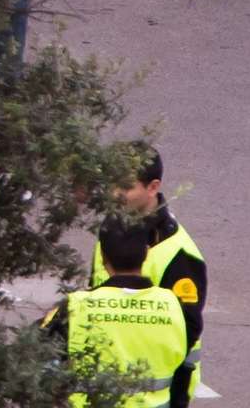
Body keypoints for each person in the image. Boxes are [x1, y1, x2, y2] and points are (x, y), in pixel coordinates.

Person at [91, 144, 210, 403]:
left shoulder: (178, 255)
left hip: (157, 393)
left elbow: (186, 335)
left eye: (125, 186)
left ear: (153, 187)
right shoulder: (113, 230)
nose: (114, 194)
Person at [46, 227, 191, 408]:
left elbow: (38, 364)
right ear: (146, 253)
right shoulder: (174, 306)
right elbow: (184, 373)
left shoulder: (75, 306)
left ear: (103, 257)